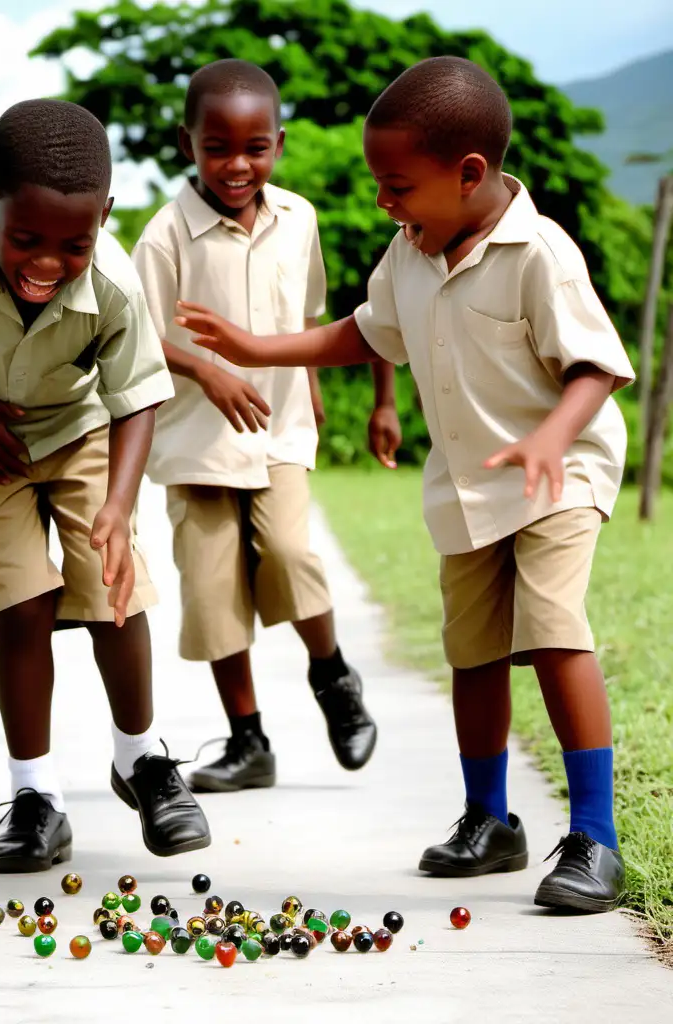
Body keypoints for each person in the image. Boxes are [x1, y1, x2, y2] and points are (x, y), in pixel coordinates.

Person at [172, 56, 634, 912]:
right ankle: (488, 821)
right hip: (469, 486)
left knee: (555, 630)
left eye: (397, 186)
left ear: (469, 175)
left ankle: (595, 838)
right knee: (473, 650)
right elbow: (364, 332)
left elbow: (596, 371)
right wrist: (258, 346)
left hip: (560, 473)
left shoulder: (539, 253)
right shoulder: (412, 249)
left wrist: (549, 441)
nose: (385, 203)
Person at [0, 98, 210, 872]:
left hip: (78, 433)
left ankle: (141, 761)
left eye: (73, 243)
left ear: (105, 215)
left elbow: (139, 395)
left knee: (110, 584)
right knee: (21, 604)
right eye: (25, 239)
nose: (46, 263)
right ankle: (37, 798)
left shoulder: (114, 280)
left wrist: (115, 506)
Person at [131, 59, 399, 792]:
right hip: (195, 442)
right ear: (188, 144)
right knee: (214, 592)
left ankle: (333, 678)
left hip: (279, 430)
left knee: (285, 551)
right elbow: (139, 336)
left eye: (255, 147)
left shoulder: (299, 218)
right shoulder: (164, 236)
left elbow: (307, 313)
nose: (237, 164)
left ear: (277, 144)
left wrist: (309, 382)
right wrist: (205, 370)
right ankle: (249, 740)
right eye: (218, 147)